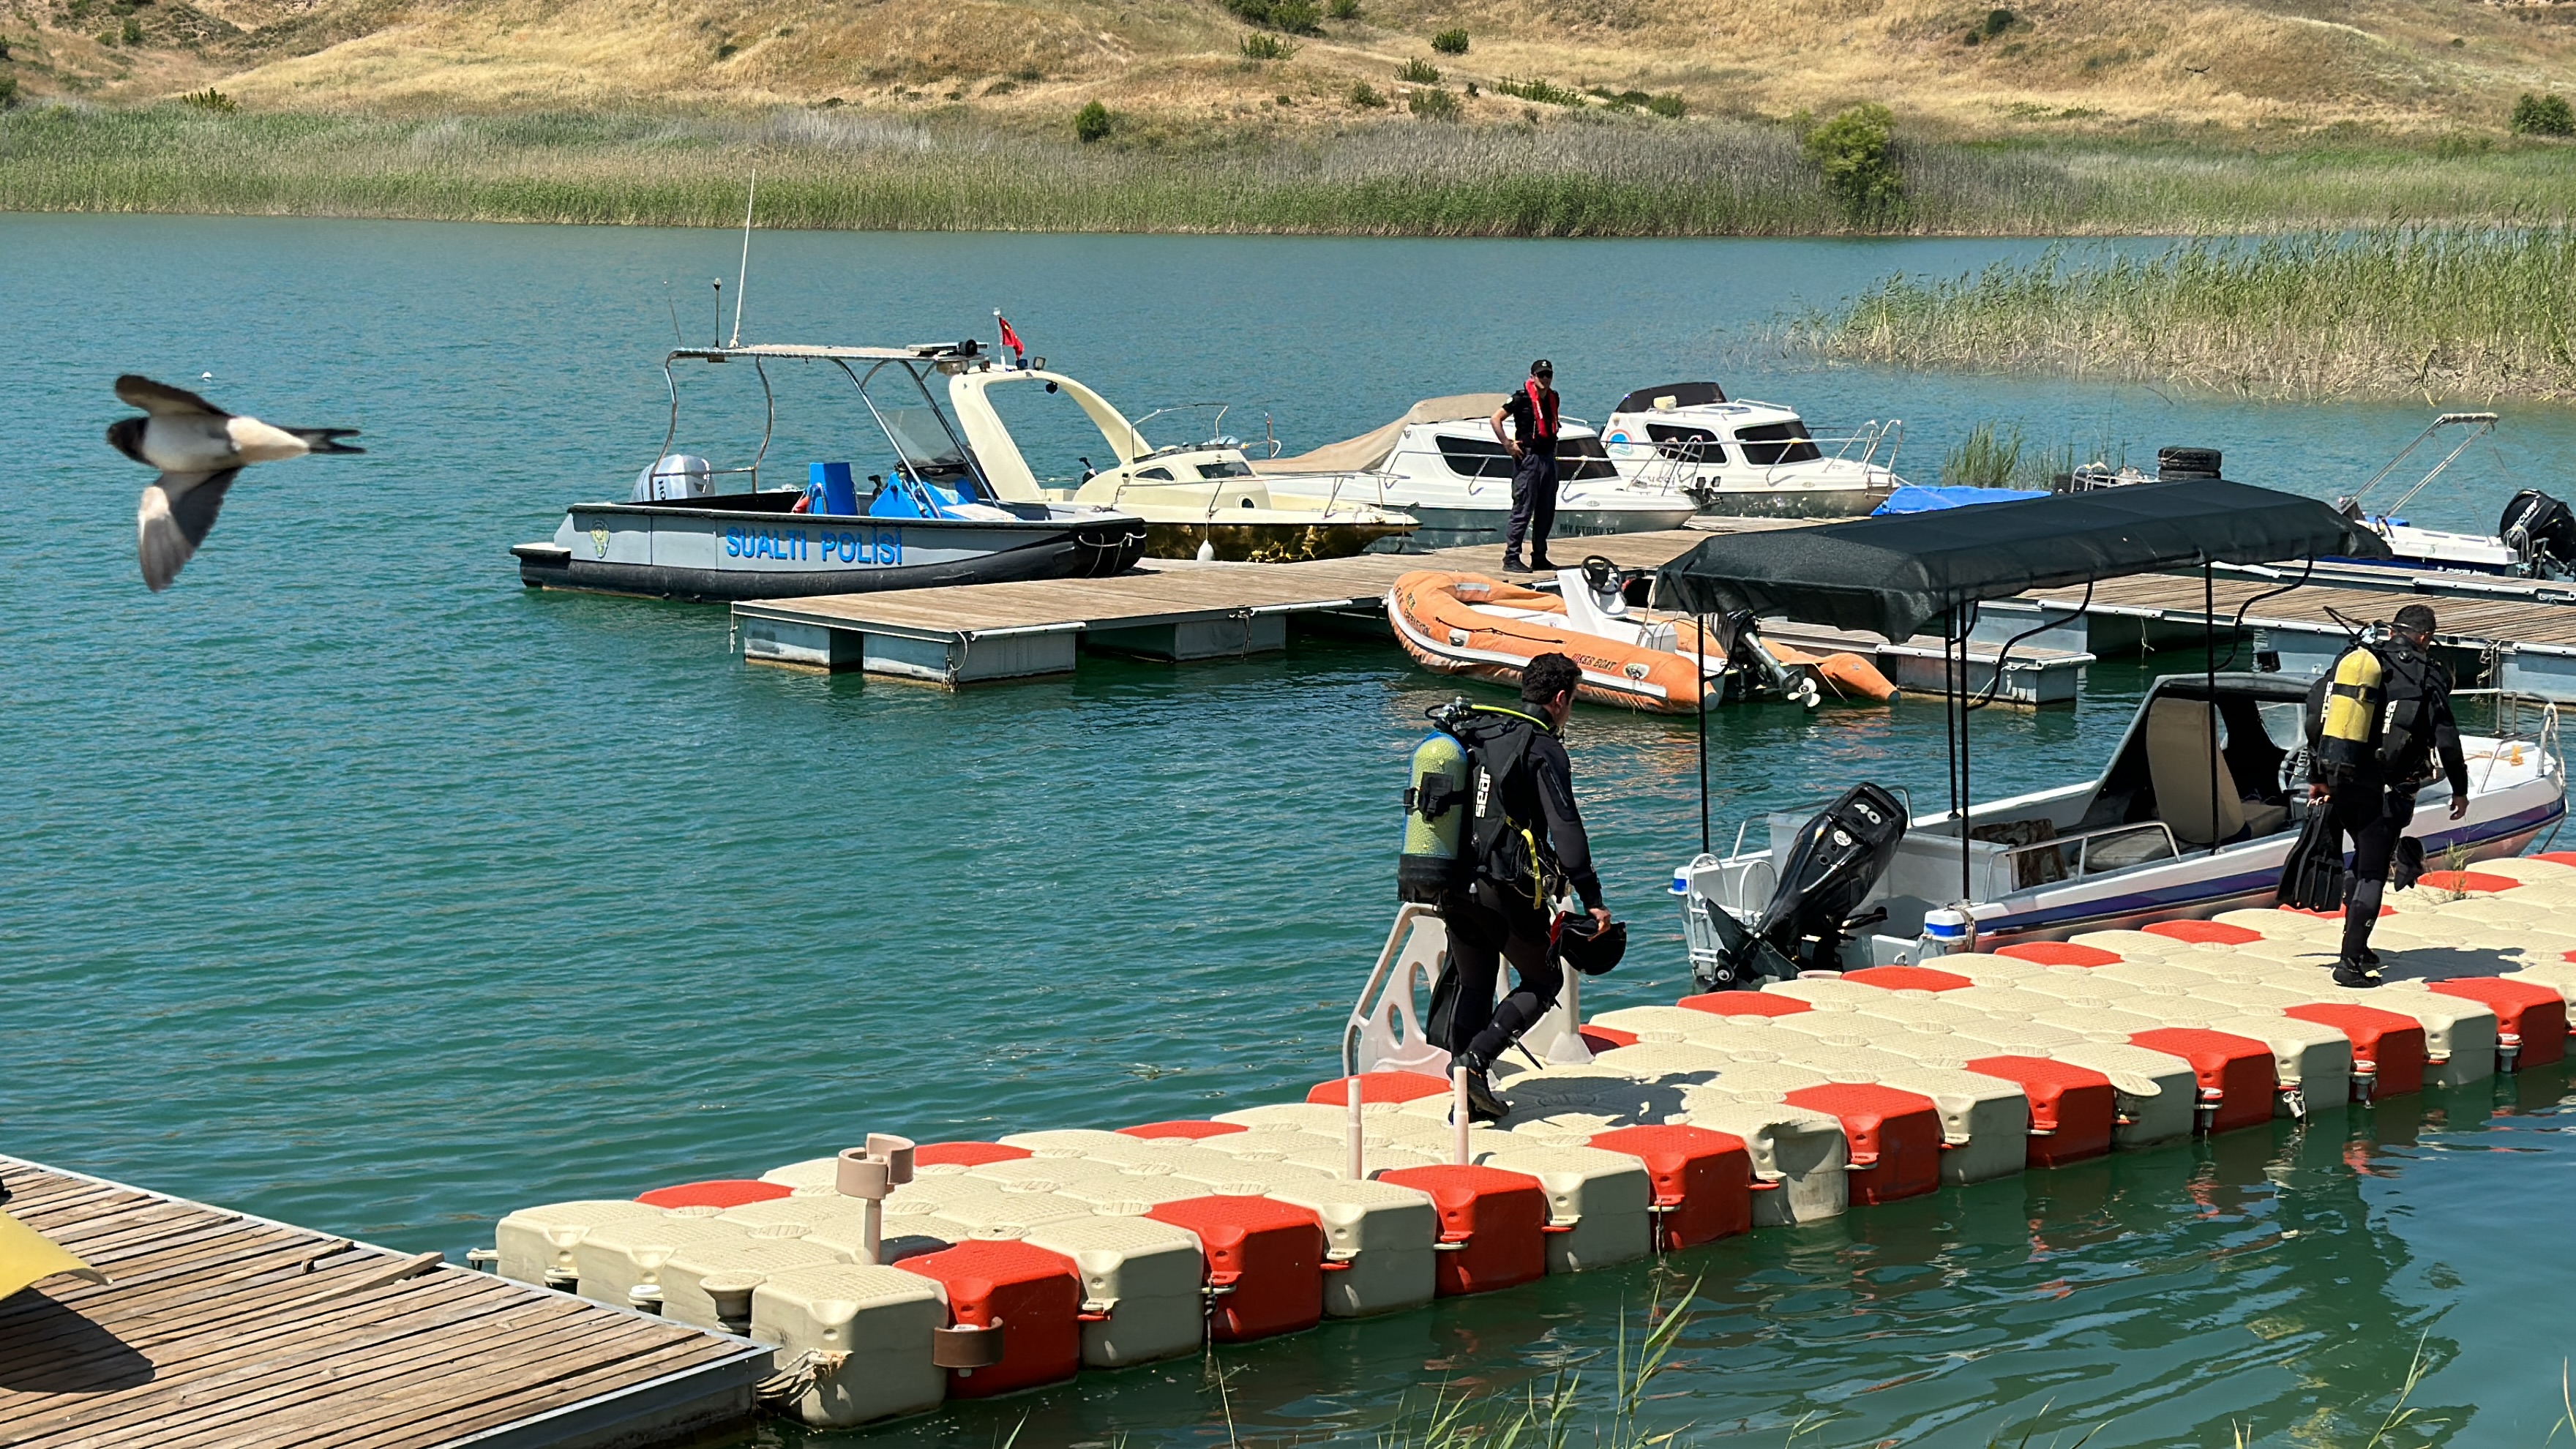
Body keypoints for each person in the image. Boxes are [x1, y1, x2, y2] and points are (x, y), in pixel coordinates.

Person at [1437, 652, 1611, 1120]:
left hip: (1452, 881)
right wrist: (1591, 898)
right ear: (1559, 699)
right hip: (1503, 884)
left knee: (1474, 982)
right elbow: (1567, 828)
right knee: (1543, 978)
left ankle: (1464, 1099)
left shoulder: (1482, 731)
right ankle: (1475, 1063)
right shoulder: (1543, 747)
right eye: (1572, 701)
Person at [2310, 603, 2467, 988]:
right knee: (2372, 873)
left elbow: (2320, 715)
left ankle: (2358, 948)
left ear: (2394, 629)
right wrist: (2460, 789)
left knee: (2361, 859)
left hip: (2342, 780)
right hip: (2387, 789)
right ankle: (2349, 965)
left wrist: (2319, 777)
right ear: (2425, 637)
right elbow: (2445, 737)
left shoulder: (2357, 661)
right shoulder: (2426, 675)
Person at [1489, 359, 1561, 574]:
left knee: (1546, 510)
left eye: (1548, 375)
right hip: (1528, 459)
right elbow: (1496, 419)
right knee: (1523, 508)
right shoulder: (1521, 398)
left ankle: (1539, 556)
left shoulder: (1553, 398)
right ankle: (1511, 557)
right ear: (1533, 376)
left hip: (1548, 458)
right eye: (1541, 375)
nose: (1545, 379)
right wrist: (1507, 444)